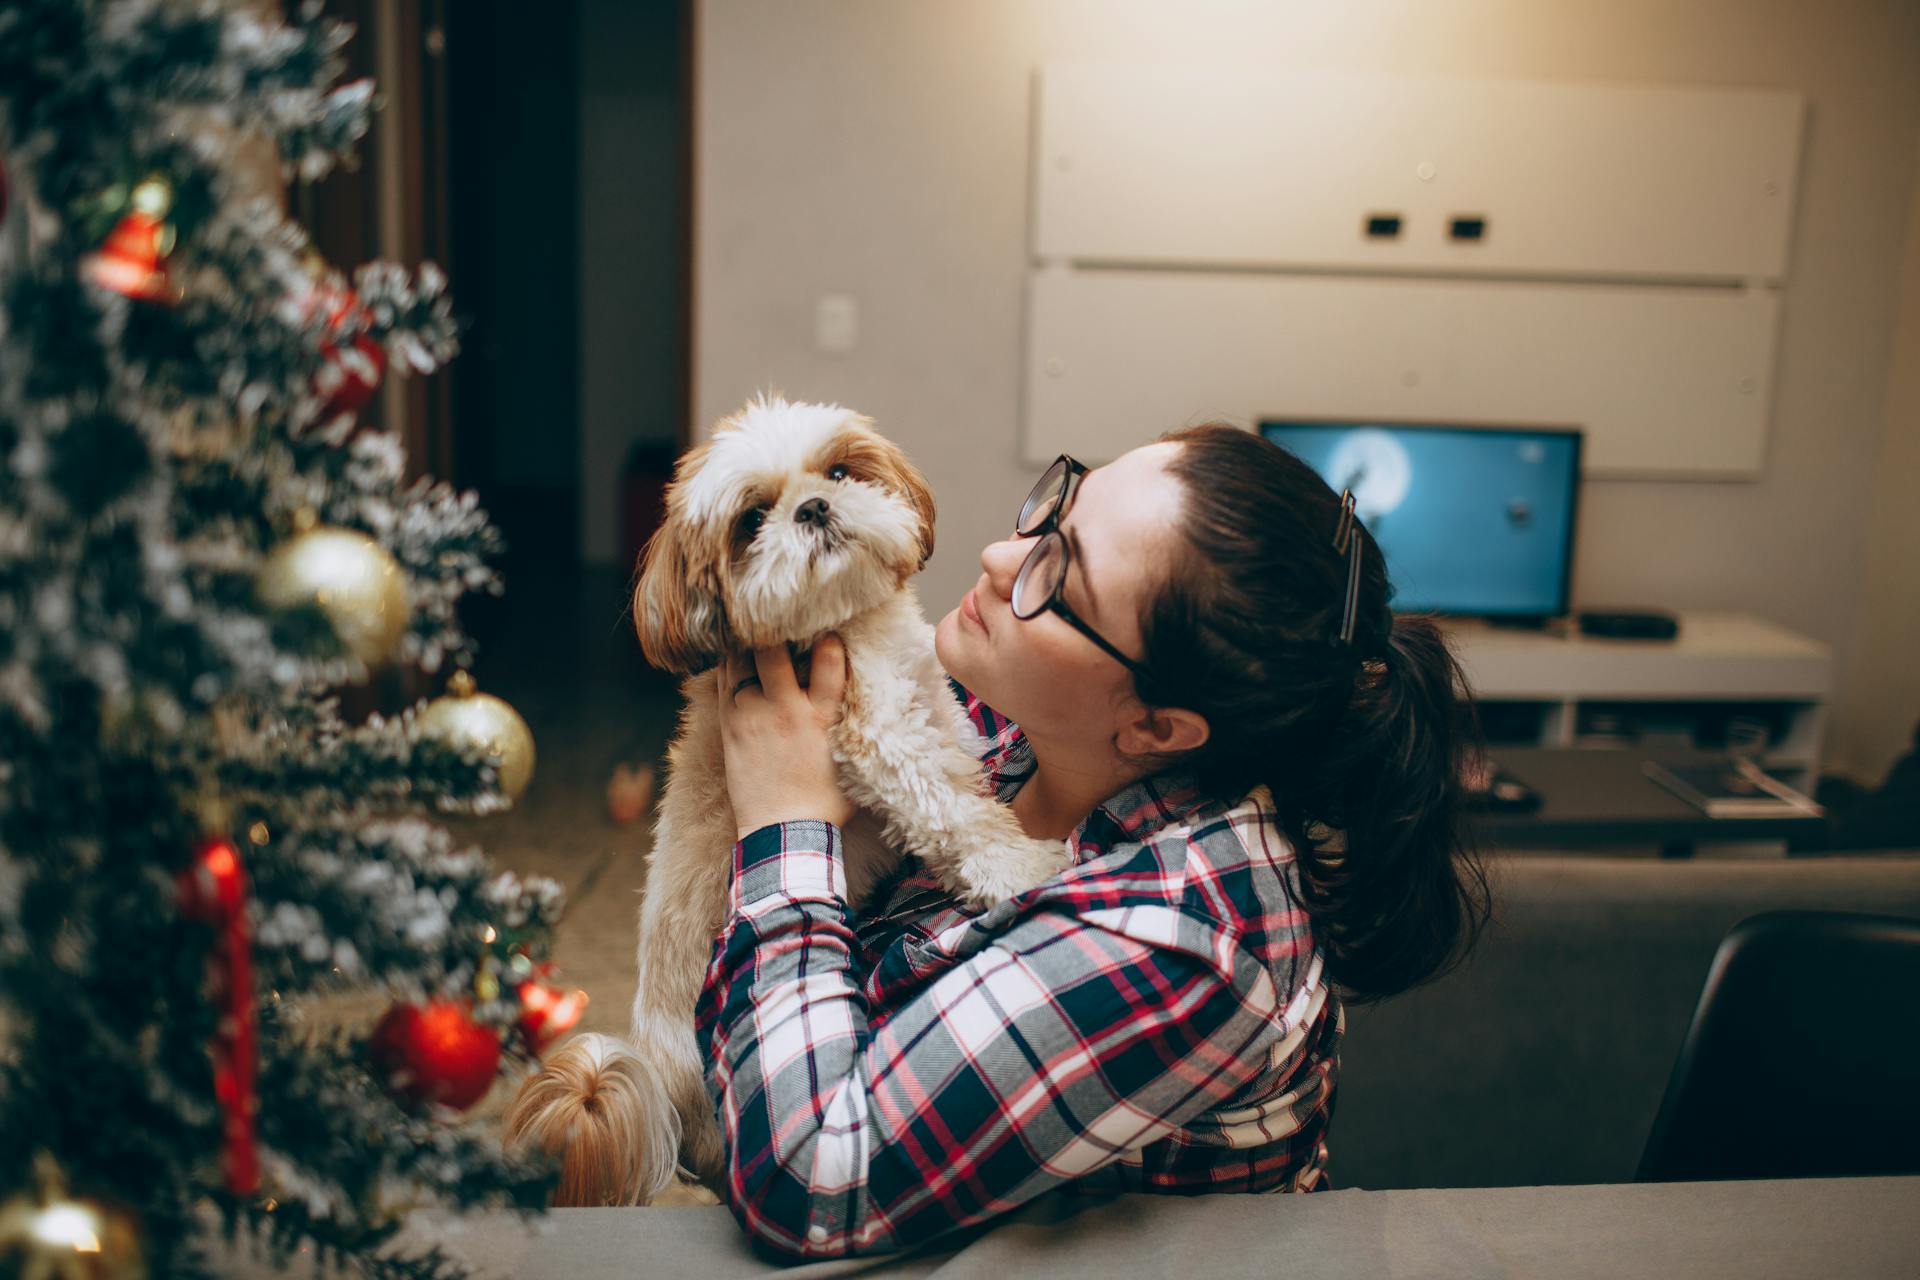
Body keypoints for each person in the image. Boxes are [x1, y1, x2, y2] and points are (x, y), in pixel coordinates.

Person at [699, 423, 1491, 1259]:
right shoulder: (1021, 728)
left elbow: (811, 1180)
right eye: (1055, 508)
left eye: (1059, 576)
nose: (1005, 558)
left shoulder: (1186, 940)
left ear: (1155, 725)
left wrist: (786, 825)